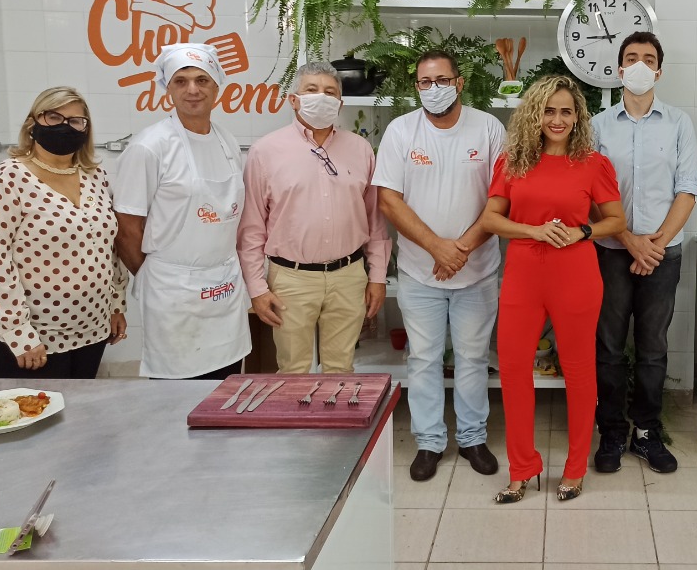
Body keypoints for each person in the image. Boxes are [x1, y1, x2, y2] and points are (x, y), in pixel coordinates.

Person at [479, 75, 626, 503]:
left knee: (580, 371)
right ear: (534, 114)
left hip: (576, 273)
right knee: (512, 369)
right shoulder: (512, 162)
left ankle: (575, 468)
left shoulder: (594, 164)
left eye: (566, 111)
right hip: (525, 271)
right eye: (549, 110)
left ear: (578, 115)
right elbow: (491, 219)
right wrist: (534, 230)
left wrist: (582, 231)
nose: (558, 119)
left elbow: (615, 221)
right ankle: (522, 468)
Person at [374, 50, 504, 482]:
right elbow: (389, 199)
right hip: (419, 271)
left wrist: (460, 249)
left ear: (460, 82)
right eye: (425, 83)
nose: (434, 89)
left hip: (478, 270)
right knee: (424, 358)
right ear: (416, 87)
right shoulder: (400, 131)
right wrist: (436, 248)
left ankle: (471, 438)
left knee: (472, 357)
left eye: (442, 80)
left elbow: (500, 201)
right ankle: (429, 442)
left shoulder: (488, 129)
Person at [237, 61, 391, 375]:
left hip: (349, 276)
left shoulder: (360, 150)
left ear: (340, 103)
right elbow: (251, 228)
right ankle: (298, 427)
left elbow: (375, 222)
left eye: (329, 92)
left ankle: (334, 425)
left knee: (341, 368)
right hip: (290, 279)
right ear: (294, 99)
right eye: (311, 90)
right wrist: (256, 287)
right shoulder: (265, 151)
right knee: (293, 370)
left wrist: (377, 277)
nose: (321, 97)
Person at [590, 31, 697, 475]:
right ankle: (612, 431)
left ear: (659, 69)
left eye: (648, 58)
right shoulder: (598, 125)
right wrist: (630, 241)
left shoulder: (679, 123)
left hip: (663, 253)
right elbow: (591, 192)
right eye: (630, 57)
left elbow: (687, 189)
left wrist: (652, 244)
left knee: (653, 347)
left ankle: (648, 432)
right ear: (619, 69)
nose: (638, 65)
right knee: (610, 346)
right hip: (611, 251)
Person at [0, 87, 127, 378]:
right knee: (27, 419)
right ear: (33, 123)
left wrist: (116, 304)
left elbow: (108, 248)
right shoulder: (5, 180)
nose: (66, 126)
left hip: (91, 332)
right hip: (28, 341)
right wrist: (19, 334)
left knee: (79, 419)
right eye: (54, 117)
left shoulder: (94, 177)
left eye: (76, 121)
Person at [113, 43, 252, 380]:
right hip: (173, 293)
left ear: (217, 86)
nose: (192, 90)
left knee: (227, 386)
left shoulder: (227, 141)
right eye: (181, 81)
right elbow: (127, 227)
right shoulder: (149, 146)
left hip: (224, 287)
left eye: (202, 80)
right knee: (174, 399)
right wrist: (157, 277)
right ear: (168, 90)